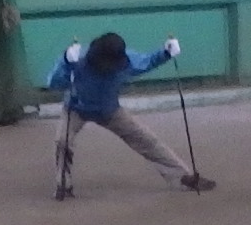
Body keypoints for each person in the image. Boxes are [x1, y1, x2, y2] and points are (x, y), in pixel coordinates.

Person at [45, 31, 210, 199]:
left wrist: (167, 52)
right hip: (76, 108)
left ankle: (184, 177)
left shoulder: (126, 62)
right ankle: (63, 184)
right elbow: (53, 83)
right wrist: (65, 61)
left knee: (147, 140)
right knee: (62, 141)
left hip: (109, 110)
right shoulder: (76, 60)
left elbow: (148, 61)